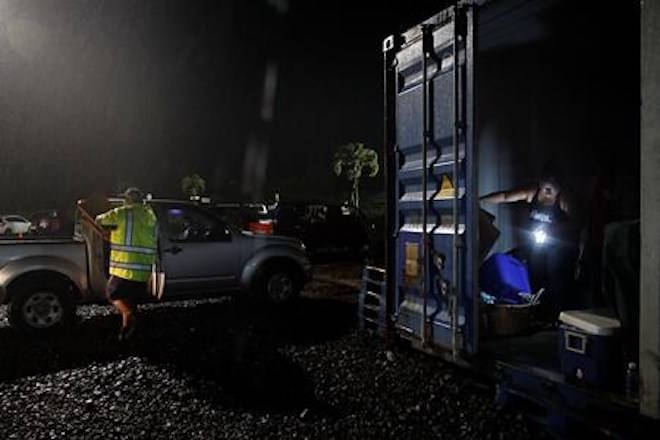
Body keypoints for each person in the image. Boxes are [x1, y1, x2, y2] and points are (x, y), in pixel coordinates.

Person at [480, 165, 580, 320]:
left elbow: (577, 222)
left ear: (560, 184)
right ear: (540, 181)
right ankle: (535, 312)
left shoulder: (564, 199)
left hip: (558, 246)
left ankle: (558, 315)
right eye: (546, 185)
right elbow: (506, 196)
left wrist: (555, 229)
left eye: (553, 186)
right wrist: (478, 200)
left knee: (555, 275)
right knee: (529, 270)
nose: (548, 190)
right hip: (537, 243)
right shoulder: (532, 192)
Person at [96, 188, 158, 341]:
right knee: (131, 299)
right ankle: (126, 332)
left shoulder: (121, 213)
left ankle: (128, 316)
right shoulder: (150, 215)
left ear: (127, 200)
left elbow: (99, 220)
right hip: (143, 270)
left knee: (112, 293)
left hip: (124, 269)